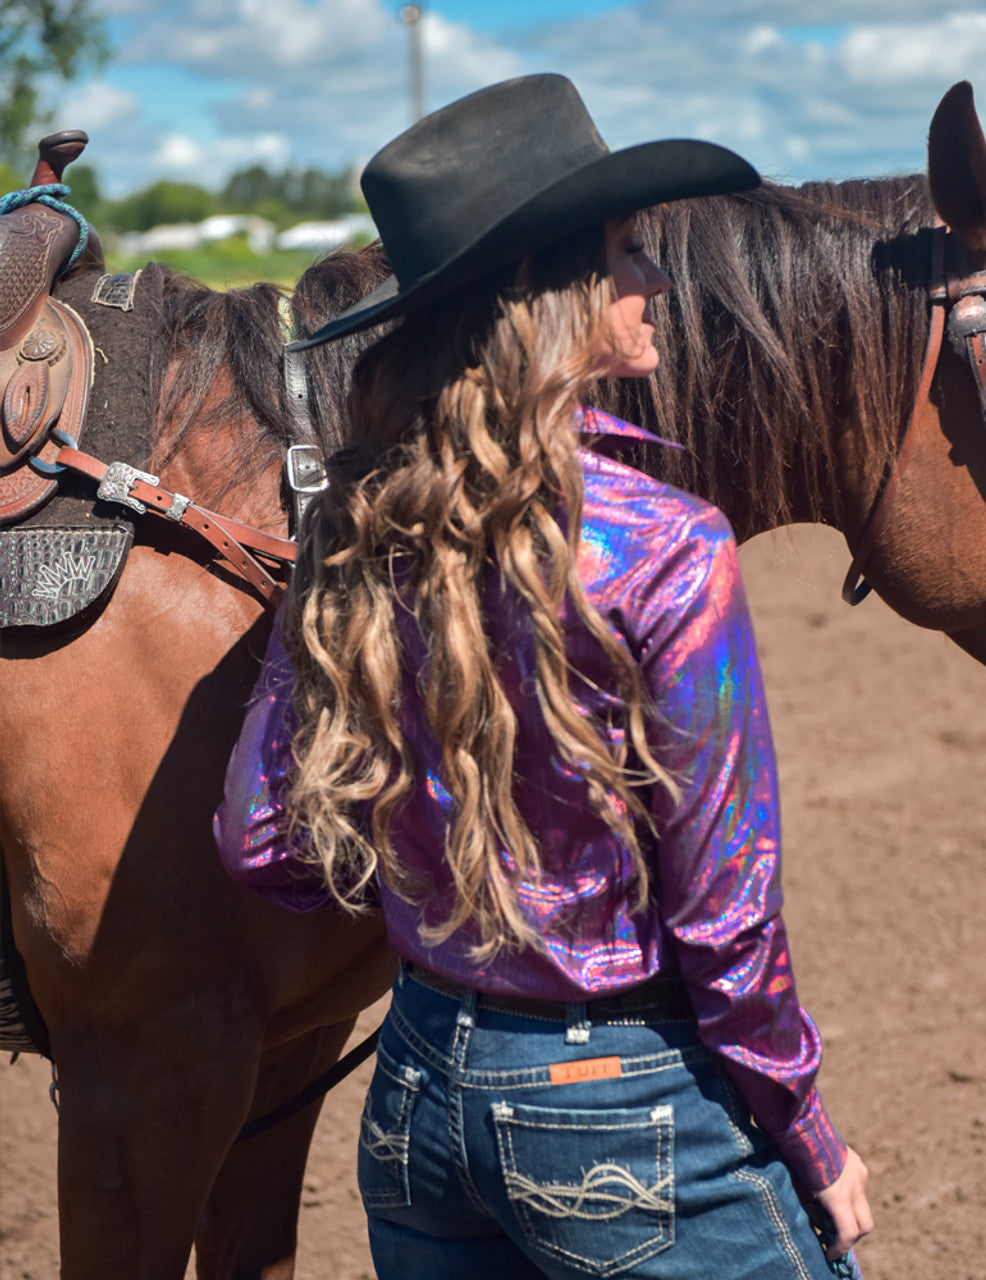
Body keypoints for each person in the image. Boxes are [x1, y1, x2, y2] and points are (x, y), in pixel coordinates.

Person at [215, 74, 872, 1279]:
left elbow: (263, 840)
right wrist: (808, 1130)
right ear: (545, 290)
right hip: (620, 1107)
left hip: (415, 1091)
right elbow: (727, 920)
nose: (660, 281)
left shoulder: (353, 525)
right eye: (628, 251)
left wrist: (430, 862)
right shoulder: (669, 547)